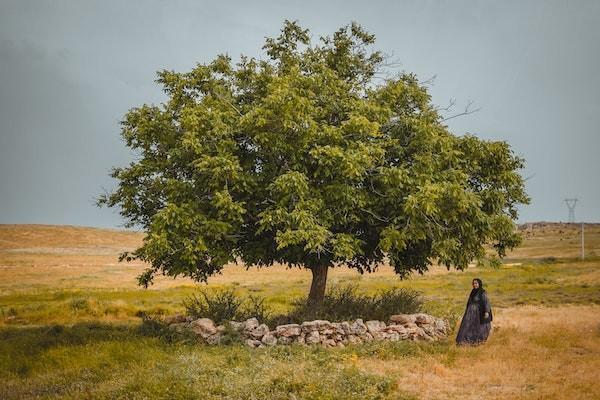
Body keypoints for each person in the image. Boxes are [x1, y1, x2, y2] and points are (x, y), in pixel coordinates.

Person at [455, 278, 493, 345]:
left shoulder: (482, 292)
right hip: (470, 313)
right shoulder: (473, 291)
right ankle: (466, 341)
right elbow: (469, 301)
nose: (474, 285)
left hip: (479, 312)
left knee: (479, 326)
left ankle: (478, 341)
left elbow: (486, 302)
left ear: (479, 284)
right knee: (468, 326)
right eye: (473, 283)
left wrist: (487, 312)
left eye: (476, 283)